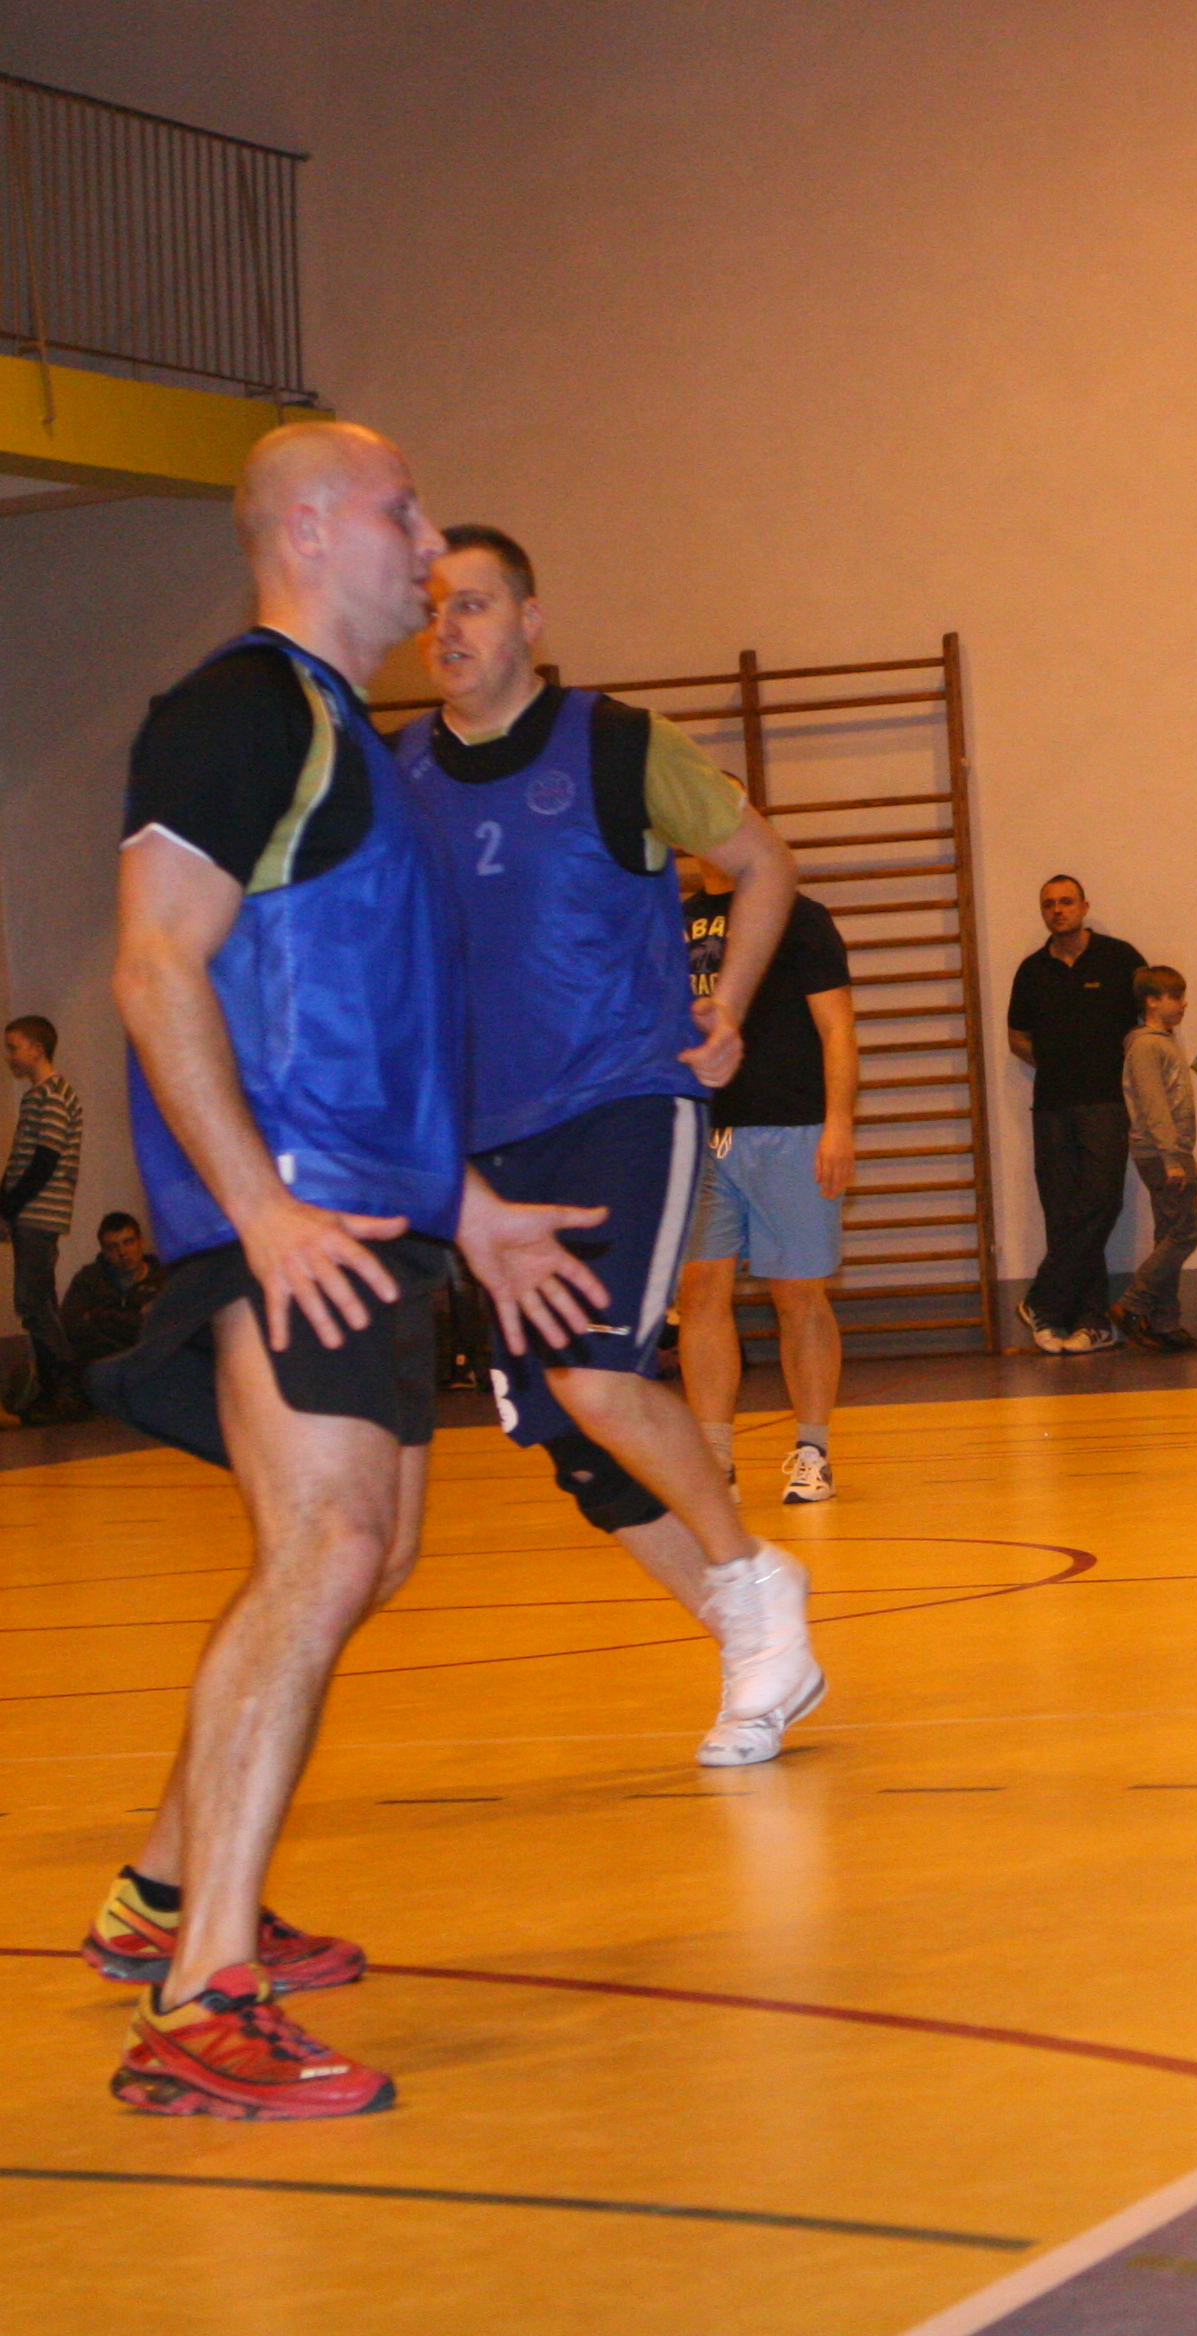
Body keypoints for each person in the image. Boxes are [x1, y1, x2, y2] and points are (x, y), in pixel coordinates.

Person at [80, 419, 610, 2117]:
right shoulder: (237, 712)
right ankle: (198, 1999)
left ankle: (164, 1894)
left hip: (372, 1218)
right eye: (401, 510)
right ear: (309, 529)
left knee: (365, 1555)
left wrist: (469, 1206)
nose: (429, 539)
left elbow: (369, 1027)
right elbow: (154, 968)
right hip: (289, 1223)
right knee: (325, 1548)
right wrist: (259, 1208)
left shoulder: (346, 742)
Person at [397, 524, 824, 1766]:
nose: (450, 626)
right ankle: (755, 1644)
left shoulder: (617, 744)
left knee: (593, 1373)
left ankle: (752, 1579)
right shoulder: (400, 769)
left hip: (626, 1099)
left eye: (476, 603)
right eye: (435, 606)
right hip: (485, 1145)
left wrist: (728, 1005)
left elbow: (763, 862)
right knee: (571, 1443)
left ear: (531, 620)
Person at [674, 852, 856, 1501]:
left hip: (790, 1127)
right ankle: (715, 1461)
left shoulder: (798, 917)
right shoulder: (675, 922)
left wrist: (838, 1123)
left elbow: (837, 1028)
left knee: (798, 1295)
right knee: (699, 1292)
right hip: (702, 1131)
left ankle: (813, 1450)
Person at [1005, 874, 1142, 1354]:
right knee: (1064, 1214)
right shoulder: (1031, 970)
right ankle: (1087, 1323)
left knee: (1101, 1203)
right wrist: (1058, 1063)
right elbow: (1017, 1037)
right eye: (1048, 904)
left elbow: (1146, 1026)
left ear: (1085, 906)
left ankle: (1043, 1299)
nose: (1057, 910)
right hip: (1051, 1108)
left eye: (1066, 902)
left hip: (1106, 1104)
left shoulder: (1120, 959)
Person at [1113, 963, 1197, 1352]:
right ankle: (1132, 1304)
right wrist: (1171, 1158)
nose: (1184, 1004)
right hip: (1160, 1153)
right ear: (1152, 1001)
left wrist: (1184, 1156)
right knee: (1185, 1232)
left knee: (1169, 1233)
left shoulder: (1162, 1042)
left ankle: (1165, 1323)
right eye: (1176, 996)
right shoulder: (1147, 1046)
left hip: (1170, 1151)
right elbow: (1154, 1106)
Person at [4, 1013, 90, 1422]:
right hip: (29, 1213)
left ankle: (66, 1385)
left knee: (33, 1301)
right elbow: (20, 1159)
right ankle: (52, 1390)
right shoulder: (34, 1097)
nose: (9, 1056)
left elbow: (44, 1160)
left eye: (13, 1047)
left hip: (39, 1213)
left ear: (37, 1049)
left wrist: (12, 1205)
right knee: (40, 1300)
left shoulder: (54, 1095)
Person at [61, 1211, 164, 1365]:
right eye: (113, 1247)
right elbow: (72, 1327)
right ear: (103, 1251)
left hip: (152, 1364)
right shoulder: (88, 1280)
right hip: (102, 1365)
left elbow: (168, 1330)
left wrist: (97, 1316)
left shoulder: (164, 1278)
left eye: (128, 1242)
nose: (122, 1252)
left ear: (141, 1241)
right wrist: (137, 1319)